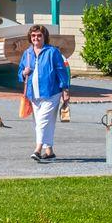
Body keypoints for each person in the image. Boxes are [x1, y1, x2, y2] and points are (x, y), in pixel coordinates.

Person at [18, 24, 70, 162]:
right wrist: (24, 73)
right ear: (30, 37)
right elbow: (20, 73)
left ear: (44, 37)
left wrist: (65, 89)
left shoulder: (52, 52)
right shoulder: (27, 53)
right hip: (33, 94)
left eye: (39, 35)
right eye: (33, 35)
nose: (36, 38)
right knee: (41, 123)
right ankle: (49, 150)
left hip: (51, 92)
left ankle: (37, 149)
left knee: (43, 121)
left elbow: (61, 71)